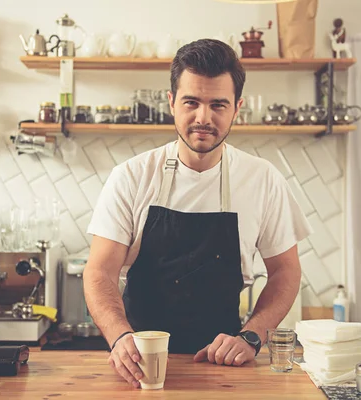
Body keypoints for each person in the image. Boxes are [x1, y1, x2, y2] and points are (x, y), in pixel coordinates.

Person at [83, 38, 312, 388]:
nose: (203, 117)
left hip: (224, 370)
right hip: (139, 369)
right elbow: (99, 271)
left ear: (237, 108)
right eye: (192, 102)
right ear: (172, 103)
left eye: (218, 104)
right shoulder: (132, 176)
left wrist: (252, 336)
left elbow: (286, 271)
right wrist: (118, 336)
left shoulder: (262, 179)